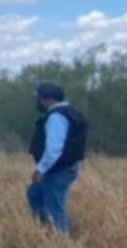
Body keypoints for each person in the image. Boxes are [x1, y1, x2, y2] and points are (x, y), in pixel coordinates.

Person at [26, 82, 89, 235]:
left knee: (54, 208)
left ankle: (61, 242)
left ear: (48, 99)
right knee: (34, 194)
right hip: (61, 167)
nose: (38, 102)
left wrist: (40, 169)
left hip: (57, 170)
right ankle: (47, 230)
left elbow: (54, 149)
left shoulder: (56, 117)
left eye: (39, 98)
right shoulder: (66, 112)